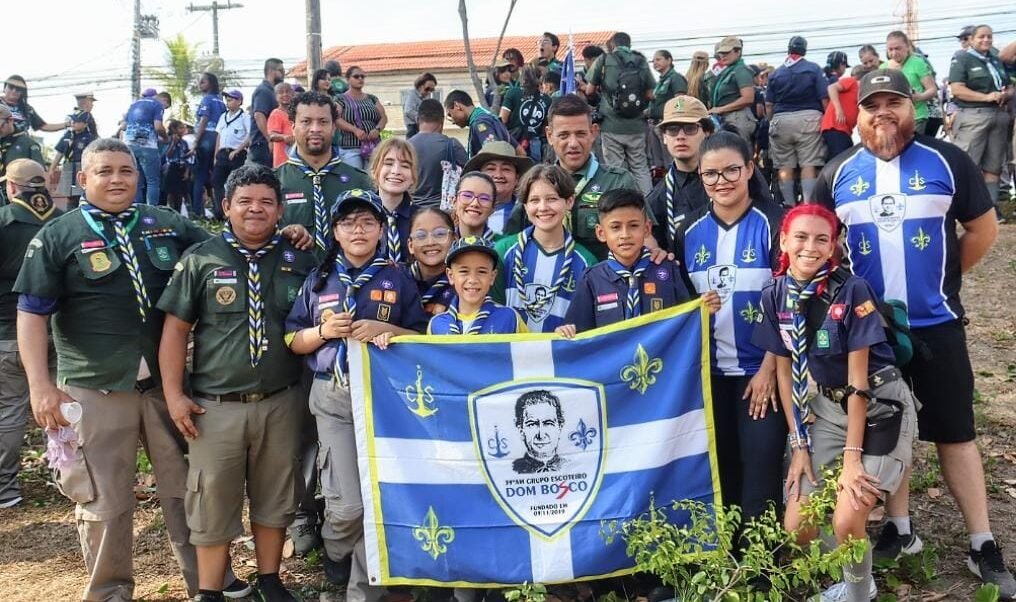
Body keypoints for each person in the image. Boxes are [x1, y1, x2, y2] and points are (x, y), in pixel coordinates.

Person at [13, 137, 250, 601]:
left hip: (166, 387)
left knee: (188, 489)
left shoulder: (164, 224)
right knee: (104, 498)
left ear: (138, 176)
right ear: (83, 179)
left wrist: (288, 236)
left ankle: (209, 583)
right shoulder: (57, 237)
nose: (116, 179)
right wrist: (40, 386)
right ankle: (109, 591)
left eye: (125, 170)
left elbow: (228, 249)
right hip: (95, 388)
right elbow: (31, 315)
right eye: (104, 171)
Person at [812, 68, 1014, 597]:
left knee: (956, 432)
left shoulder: (948, 160)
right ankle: (900, 531)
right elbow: (819, 248)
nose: (883, 114)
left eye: (894, 103)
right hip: (870, 338)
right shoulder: (837, 172)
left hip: (937, 326)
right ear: (858, 114)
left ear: (912, 108)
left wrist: (942, 282)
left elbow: (983, 230)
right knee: (889, 430)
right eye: (872, 104)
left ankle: (982, 541)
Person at [158, 164, 314, 602]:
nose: (255, 209)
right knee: (211, 500)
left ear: (281, 209)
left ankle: (269, 579)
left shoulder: (298, 258)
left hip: (280, 400)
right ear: (226, 206)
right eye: (245, 201)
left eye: (266, 201)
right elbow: (175, 331)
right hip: (215, 406)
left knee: (276, 494)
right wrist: (174, 397)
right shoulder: (201, 260)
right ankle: (210, 590)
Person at [754, 204, 919, 602]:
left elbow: (859, 384)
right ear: (783, 241)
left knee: (847, 517)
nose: (810, 247)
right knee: (797, 525)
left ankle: (860, 593)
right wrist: (799, 448)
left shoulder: (851, 290)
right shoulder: (775, 295)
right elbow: (782, 373)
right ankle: (850, 572)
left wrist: (851, 460)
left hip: (878, 405)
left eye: (821, 239)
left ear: (834, 247)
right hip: (828, 409)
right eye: (801, 237)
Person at [285, 188, 428, 599]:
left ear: (382, 229)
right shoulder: (319, 280)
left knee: (375, 500)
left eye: (367, 221)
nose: (358, 229)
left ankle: (360, 591)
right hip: (333, 395)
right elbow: (293, 339)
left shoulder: (397, 278)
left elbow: (421, 336)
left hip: (385, 401)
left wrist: (390, 331)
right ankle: (335, 548)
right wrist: (323, 332)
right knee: (347, 505)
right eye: (348, 222)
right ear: (335, 231)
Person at [674, 131, 786, 525]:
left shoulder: (776, 223)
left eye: (731, 171)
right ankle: (726, 561)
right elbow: (682, 304)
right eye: (710, 174)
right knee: (721, 471)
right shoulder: (687, 231)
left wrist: (770, 369)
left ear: (750, 168)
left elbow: (788, 304)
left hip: (763, 372)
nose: (721, 181)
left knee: (761, 472)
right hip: (709, 376)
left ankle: (761, 572)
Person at [556, 188, 715, 335]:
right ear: (601, 232)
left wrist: (703, 310)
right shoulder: (591, 279)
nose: (625, 235)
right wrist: (567, 331)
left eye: (633, 226)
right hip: (614, 365)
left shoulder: (668, 271)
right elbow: (580, 332)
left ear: (646, 229)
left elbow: (686, 323)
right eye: (616, 227)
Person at [503, 94, 644, 260]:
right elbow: (511, 243)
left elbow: (643, 237)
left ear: (593, 132)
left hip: (603, 280)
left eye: (580, 134)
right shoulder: (535, 185)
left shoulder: (618, 182)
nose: (573, 143)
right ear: (549, 136)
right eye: (563, 135)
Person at [0, 159, 61, 509]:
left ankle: (6, 489)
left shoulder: (3, 221)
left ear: (12, 187)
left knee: (10, 411)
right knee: (64, 406)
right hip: (59, 331)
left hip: (9, 332)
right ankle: (68, 478)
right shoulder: (63, 223)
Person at [647, 95, 773, 253]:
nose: (680, 136)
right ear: (664, 137)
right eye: (672, 130)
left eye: (690, 128)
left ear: (708, 132)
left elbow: (768, 218)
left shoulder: (739, 173)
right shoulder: (658, 198)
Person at [493, 164, 597, 333]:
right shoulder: (504, 251)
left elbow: (586, 326)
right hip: (509, 355)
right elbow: (491, 311)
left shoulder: (586, 261)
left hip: (559, 357)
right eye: (534, 200)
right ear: (525, 206)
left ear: (569, 201)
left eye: (552, 199)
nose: (543, 207)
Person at [277, 91, 373, 259]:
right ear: (292, 126)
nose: (315, 129)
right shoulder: (274, 182)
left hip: (346, 279)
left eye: (323, 122)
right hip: (292, 276)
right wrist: (281, 234)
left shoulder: (360, 181)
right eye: (306, 122)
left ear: (333, 127)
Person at [949, 24, 1013, 221]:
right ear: (971, 39)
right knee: (968, 163)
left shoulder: (995, 59)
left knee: (993, 166)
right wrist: (985, 97)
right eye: (981, 37)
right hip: (972, 115)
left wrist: (1007, 93)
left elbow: (1008, 84)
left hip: (998, 115)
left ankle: (991, 209)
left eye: (989, 37)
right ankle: (962, 208)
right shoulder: (962, 58)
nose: (986, 40)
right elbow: (957, 89)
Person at [585, 32, 655, 194]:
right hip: (636, 126)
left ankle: (621, 204)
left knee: (616, 168)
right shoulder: (640, 60)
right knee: (640, 167)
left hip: (611, 125)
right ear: (629, 44)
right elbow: (651, 93)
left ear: (613, 44)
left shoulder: (604, 59)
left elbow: (589, 90)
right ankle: (648, 205)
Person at [766, 36, 829, 205]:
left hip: (780, 119)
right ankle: (808, 203)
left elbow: (769, 104)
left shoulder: (775, 73)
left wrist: (772, 121)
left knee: (784, 164)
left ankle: (789, 203)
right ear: (804, 50)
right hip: (809, 117)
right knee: (809, 162)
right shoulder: (814, 69)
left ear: (789, 50)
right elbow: (824, 98)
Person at [421, 236, 526, 336]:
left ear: (492, 277)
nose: (472, 280)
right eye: (464, 271)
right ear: (451, 276)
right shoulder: (437, 324)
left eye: (481, 271)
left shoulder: (510, 318)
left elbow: (529, 352)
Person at [462, 140, 534, 236]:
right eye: (491, 169)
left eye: (506, 169)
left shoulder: (529, 214)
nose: (498, 175)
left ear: (517, 178)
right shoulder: (463, 210)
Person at [409, 98, 467, 208]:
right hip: (443, 212)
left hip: (411, 211)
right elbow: (469, 176)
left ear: (417, 119)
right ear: (442, 121)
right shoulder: (452, 145)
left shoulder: (405, 147)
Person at [370, 137, 418, 263]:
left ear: (413, 177)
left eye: (405, 165)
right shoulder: (361, 216)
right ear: (375, 171)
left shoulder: (422, 219)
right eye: (389, 163)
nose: (396, 171)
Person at [885, 31, 938, 135]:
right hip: (894, 118)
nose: (894, 53)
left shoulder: (917, 62)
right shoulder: (883, 68)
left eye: (897, 48)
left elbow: (932, 90)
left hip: (917, 116)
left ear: (907, 47)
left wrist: (919, 97)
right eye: (890, 49)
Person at [708, 37, 758, 147]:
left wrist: (721, 109)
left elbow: (748, 98)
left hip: (737, 118)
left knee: (740, 153)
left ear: (738, 51)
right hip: (727, 117)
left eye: (726, 52)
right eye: (721, 53)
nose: (723, 56)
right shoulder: (729, 71)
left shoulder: (741, 70)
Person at [406, 207, 457, 316]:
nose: (430, 242)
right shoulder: (398, 278)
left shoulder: (463, 283)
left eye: (439, 234)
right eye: (421, 235)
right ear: (410, 245)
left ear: (454, 239)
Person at [335, 66, 387, 170]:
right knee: (356, 180)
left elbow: (383, 118)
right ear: (348, 79)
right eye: (356, 76)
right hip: (351, 147)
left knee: (372, 180)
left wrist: (377, 129)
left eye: (362, 76)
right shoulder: (340, 99)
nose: (360, 79)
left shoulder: (372, 98)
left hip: (373, 146)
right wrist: (354, 130)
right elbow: (336, 118)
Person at [211, 90, 252, 218]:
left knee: (235, 183)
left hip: (237, 154)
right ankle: (221, 211)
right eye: (227, 100)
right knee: (216, 180)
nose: (228, 102)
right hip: (223, 153)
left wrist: (238, 150)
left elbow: (250, 136)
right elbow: (219, 135)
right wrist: (216, 155)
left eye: (231, 100)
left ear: (239, 101)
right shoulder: (223, 117)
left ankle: (236, 211)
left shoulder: (245, 117)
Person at [191, 72, 227, 220]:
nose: (200, 85)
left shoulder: (206, 100)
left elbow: (204, 120)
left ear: (210, 84)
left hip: (206, 137)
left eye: (203, 82)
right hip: (218, 139)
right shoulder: (221, 102)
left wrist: (195, 141)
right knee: (216, 177)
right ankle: (219, 210)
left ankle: (197, 212)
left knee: (199, 177)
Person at [648, 50, 690, 174]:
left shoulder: (675, 78)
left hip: (666, 124)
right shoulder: (659, 81)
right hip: (654, 123)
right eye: (653, 60)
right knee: (659, 163)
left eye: (658, 59)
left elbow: (680, 101)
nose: (655, 63)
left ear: (669, 60)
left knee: (671, 159)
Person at [124, 88, 167, 205]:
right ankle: (151, 212)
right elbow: (158, 127)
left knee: (136, 181)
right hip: (148, 147)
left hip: (130, 146)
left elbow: (124, 125)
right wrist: (166, 137)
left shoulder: (133, 105)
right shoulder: (157, 104)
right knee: (152, 181)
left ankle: (137, 211)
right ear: (155, 96)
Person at [444, 89, 518, 157]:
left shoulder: (479, 123)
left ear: (457, 106)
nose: (453, 122)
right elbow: (521, 151)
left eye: (450, 115)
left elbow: (493, 153)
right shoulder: (492, 119)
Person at [500, 65, 551, 162]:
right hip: (535, 144)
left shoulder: (513, 93)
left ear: (522, 78)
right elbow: (546, 126)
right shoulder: (547, 99)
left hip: (514, 142)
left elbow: (502, 120)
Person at [511, 390, 566, 473]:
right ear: (521, 429)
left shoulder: (573, 467)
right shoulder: (511, 469)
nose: (541, 435)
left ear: (560, 427)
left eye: (548, 423)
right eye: (532, 424)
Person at [50, 111, 97, 209]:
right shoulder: (68, 136)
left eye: (77, 121)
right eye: (72, 120)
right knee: (70, 197)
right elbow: (60, 152)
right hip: (68, 167)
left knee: (81, 195)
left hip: (81, 167)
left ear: (85, 124)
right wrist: (52, 168)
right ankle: (69, 213)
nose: (73, 123)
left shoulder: (90, 138)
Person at [0, 105, 45, 205]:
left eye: (0, 126)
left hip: (20, 199)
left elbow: (39, 175)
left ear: (10, 120)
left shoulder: (28, 144)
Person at [821, 53, 860, 162]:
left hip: (840, 129)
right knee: (841, 161)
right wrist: (839, 110)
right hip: (835, 127)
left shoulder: (824, 77)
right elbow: (831, 88)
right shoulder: (850, 82)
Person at [0, 75, 67, 135]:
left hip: (19, 144)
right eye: (11, 87)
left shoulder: (27, 109)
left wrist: (67, 124)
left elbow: (43, 126)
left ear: (22, 92)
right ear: (4, 88)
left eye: (18, 89)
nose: (14, 91)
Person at [251, 58, 286, 167]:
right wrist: (269, 139)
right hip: (262, 144)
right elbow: (259, 115)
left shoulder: (272, 91)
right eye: (281, 71)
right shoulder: (263, 91)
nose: (283, 74)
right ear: (271, 71)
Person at [453, 171, 498, 241]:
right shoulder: (443, 242)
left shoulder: (503, 247)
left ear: (493, 208)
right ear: (454, 202)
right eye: (467, 195)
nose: (475, 203)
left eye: (484, 198)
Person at [162, 119, 191, 213]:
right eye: (180, 128)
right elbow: (168, 155)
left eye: (184, 128)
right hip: (172, 168)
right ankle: (171, 210)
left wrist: (187, 171)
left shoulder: (184, 143)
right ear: (174, 129)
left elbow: (186, 158)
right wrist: (173, 143)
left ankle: (179, 212)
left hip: (181, 168)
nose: (183, 130)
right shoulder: (169, 140)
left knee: (181, 193)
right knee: (171, 192)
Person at [268, 82, 295, 168]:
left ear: (293, 94)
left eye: (288, 91)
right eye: (281, 92)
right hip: (282, 162)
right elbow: (272, 135)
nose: (285, 94)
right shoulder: (276, 114)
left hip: (296, 159)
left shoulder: (297, 113)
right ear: (276, 97)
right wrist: (284, 137)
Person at [404, 72, 437, 139]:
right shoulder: (412, 95)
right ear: (420, 85)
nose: (429, 92)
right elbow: (408, 111)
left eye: (432, 90)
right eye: (427, 89)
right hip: (413, 128)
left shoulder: (425, 97)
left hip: (422, 127)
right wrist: (422, 119)